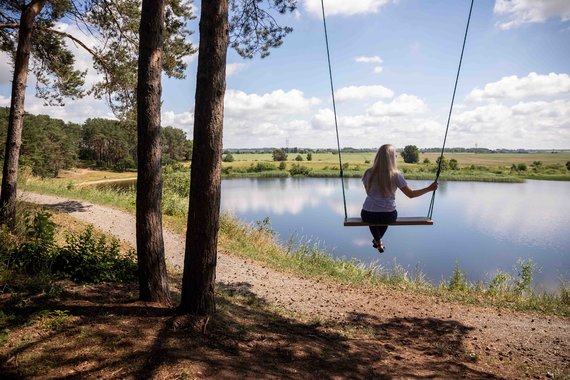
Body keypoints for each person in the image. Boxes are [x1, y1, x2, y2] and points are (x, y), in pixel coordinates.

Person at [361, 144, 438, 253]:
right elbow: (411, 194)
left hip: (367, 214)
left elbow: (368, 193)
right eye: (395, 155)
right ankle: (377, 241)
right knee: (384, 215)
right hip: (388, 215)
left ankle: (378, 241)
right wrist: (429, 188)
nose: (396, 156)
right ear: (391, 158)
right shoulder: (395, 175)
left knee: (372, 218)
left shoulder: (368, 173)